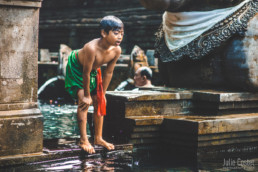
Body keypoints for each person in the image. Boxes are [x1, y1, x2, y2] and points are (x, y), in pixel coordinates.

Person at [65, 16, 124, 154]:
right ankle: (84, 140)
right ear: (104, 33)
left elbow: (109, 72)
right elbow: (85, 73)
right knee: (84, 102)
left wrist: (102, 93)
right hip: (77, 67)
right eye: (116, 33)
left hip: (92, 69)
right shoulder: (91, 48)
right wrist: (86, 95)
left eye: (122, 34)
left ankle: (98, 138)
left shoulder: (116, 50)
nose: (120, 37)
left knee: (99, 101)